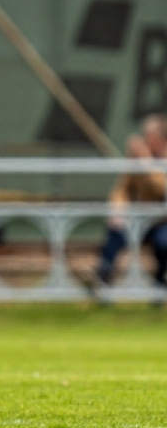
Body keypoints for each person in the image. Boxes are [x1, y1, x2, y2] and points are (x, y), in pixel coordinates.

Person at [80, 114, 167, 296]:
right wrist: (117, 211)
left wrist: (146, 162)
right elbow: (123, 188)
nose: (144, 140)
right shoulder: (137, 158)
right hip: (141, 218)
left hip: (162, 221)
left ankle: (160, 282)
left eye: (149, 136)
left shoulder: (151, 158)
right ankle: (102, 275)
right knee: (117, 230)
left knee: (163, 242)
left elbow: (161, 189)